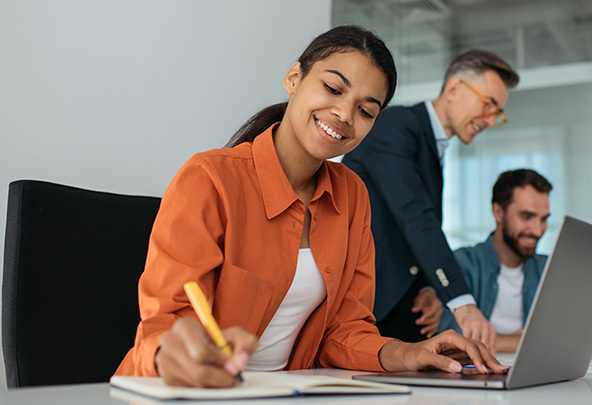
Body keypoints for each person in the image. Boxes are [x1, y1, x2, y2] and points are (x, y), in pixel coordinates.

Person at [114, 25, 507, 388]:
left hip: (281, 392)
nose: (344, 114)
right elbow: (165, 324)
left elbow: (345, 331)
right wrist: (175, 352)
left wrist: (408, 352)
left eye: (366, 110)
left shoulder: (352, 196)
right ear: (294, 78)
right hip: (181, 392)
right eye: (334, 89)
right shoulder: (210, 178)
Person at [342, 49, 520, 347]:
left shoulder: (431, 144)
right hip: (363, 307)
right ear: (454, 89)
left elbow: (403, 230)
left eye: (498, 114)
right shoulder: (396, 125)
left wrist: (428, 288)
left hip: (402, 310)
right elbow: (415, 217)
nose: (491, 121)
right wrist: (463, 304)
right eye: (488, 105)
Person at [438, 169, 552, 352]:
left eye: (544, 219)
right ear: (498, 212)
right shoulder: (459, 264)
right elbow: (449, 339)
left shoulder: (550, 269)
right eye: (527, 217)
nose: (538, 231)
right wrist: (527, 342)